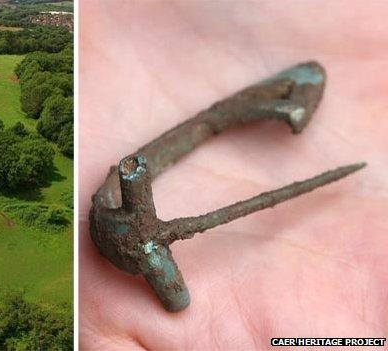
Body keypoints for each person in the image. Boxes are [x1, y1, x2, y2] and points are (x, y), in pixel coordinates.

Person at [79, 1, 388, 349]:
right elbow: (173, 293)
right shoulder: (123, 223)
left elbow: (176, 295)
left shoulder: (128, 221)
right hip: (122, 231)